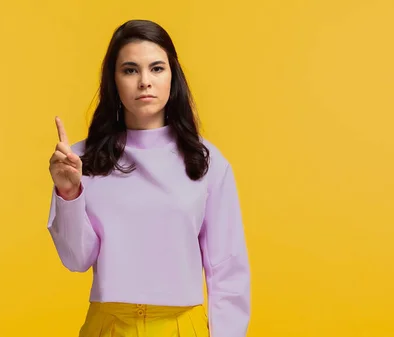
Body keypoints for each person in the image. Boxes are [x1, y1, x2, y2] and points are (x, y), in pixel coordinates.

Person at [47, 19, 250, 337]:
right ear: (114, 81)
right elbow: (76, 259)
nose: (145, 81)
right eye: (130, 70)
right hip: (108, 325)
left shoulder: (205, 161)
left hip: (183, 326)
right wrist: (68, 192)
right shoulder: (80, 160)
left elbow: (228, 269)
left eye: (157, 68)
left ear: (173, 76)